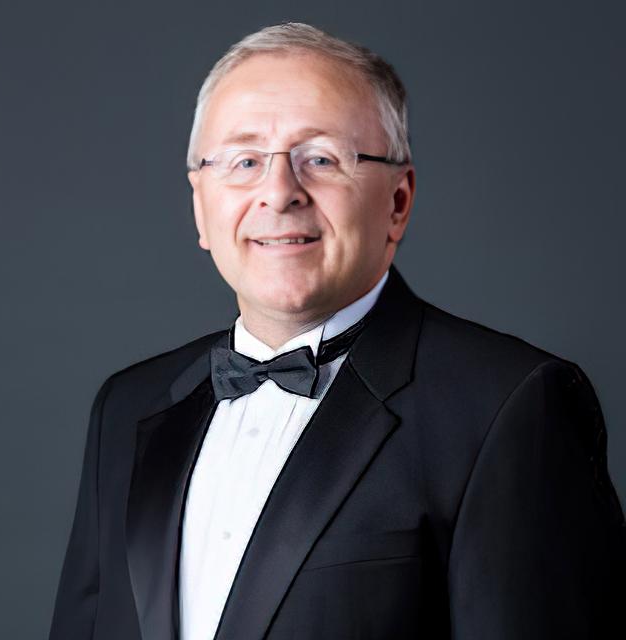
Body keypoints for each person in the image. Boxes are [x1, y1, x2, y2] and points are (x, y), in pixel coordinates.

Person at [49, 22, 626, 640]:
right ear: (200, 207)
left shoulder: (512, 406)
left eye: (320, 159)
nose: (278, 193)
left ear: (397, 202)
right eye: (244, 161)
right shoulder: (126, 406)